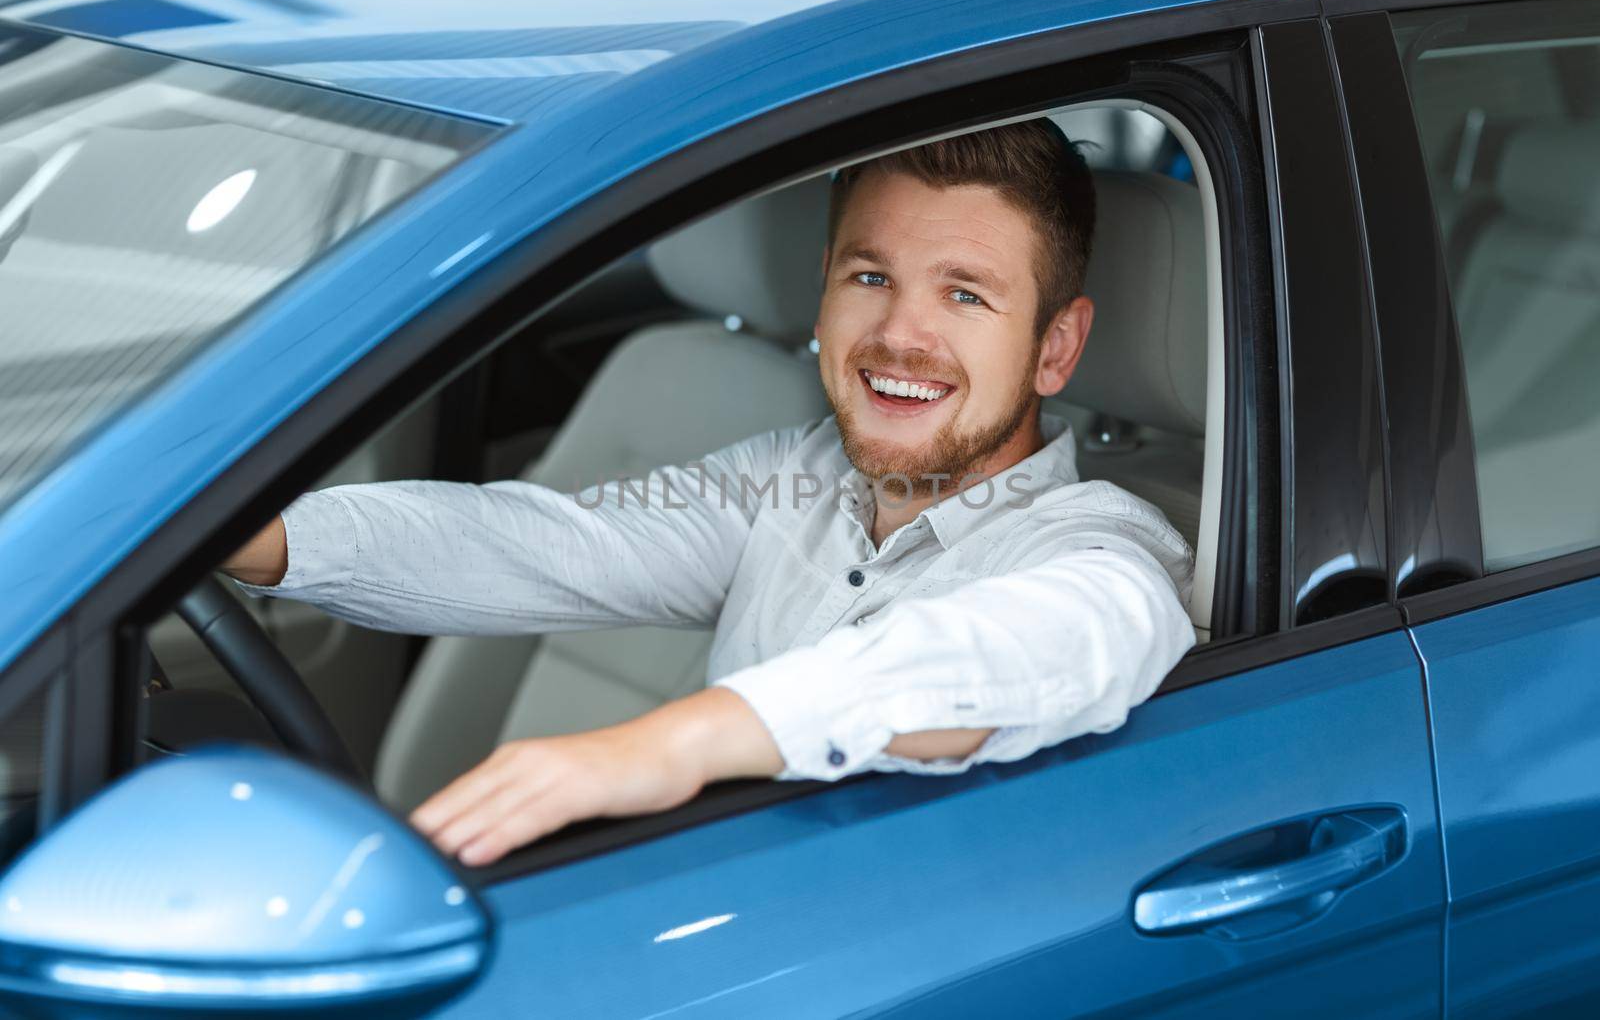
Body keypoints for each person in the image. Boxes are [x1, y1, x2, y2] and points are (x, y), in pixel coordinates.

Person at [222, 119, 1196, 867]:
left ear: (1056, 346)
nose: (900, 334)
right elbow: (545, 542)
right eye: (870, 275)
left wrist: (667, 744)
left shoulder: (1100, 547)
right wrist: (247, 536)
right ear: (821, 287)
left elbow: (1033, 643)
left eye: (965, 294)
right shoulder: (794, 475)